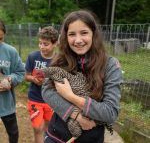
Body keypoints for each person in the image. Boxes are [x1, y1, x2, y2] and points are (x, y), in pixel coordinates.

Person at [42, 10, 123, 143]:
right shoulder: (60, 60)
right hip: (56, 136)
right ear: (66, 37)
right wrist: (76, 116)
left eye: (84, 33)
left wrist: (70, 96)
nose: (78, 40)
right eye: (72, 34)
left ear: (93, 34)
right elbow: (47, 91)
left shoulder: (110, 65)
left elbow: (110, 113)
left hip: (91, 138)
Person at [25, 26, 58, 143]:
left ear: (55, 44)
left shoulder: (58, 60)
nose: (41, 47)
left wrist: (49, 81)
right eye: (40, 43)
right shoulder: (33, 57)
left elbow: (61, 80)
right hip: (35, 99)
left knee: (49, 128)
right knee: (37, 128)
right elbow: (26, 76)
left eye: (46, 44)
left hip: (51, 100)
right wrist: (34, 79)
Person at [0, 19, 25, 143]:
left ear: (3, 34)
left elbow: (20, 72)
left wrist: (10, 79)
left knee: (13, 133)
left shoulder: (10, 51)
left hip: (6, 103)